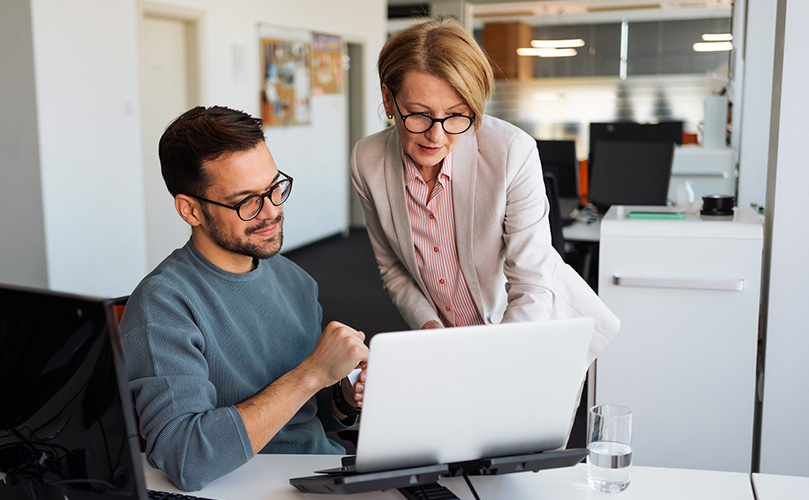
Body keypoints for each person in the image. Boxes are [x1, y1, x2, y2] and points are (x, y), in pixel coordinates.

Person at [120, 106, 368, 491]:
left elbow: (312, 414)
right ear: (191, 210)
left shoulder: (296, 281)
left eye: (273, 188)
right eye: (245, 201)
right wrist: (311, 374)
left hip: (321, 473)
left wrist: (345, 395)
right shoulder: (163, 305)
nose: (271, 211)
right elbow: (186, 457)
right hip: (245, 487)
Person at [351, 18, 620, 364]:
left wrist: (496, 361)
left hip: (529, 329)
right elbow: (393, 269)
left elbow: (532, 283)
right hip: (447, 338)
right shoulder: (367, 161)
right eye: (418, 115)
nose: (437, 135)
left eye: (457, 115)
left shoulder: (511, 152)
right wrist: (428, 325)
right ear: (389, 100)